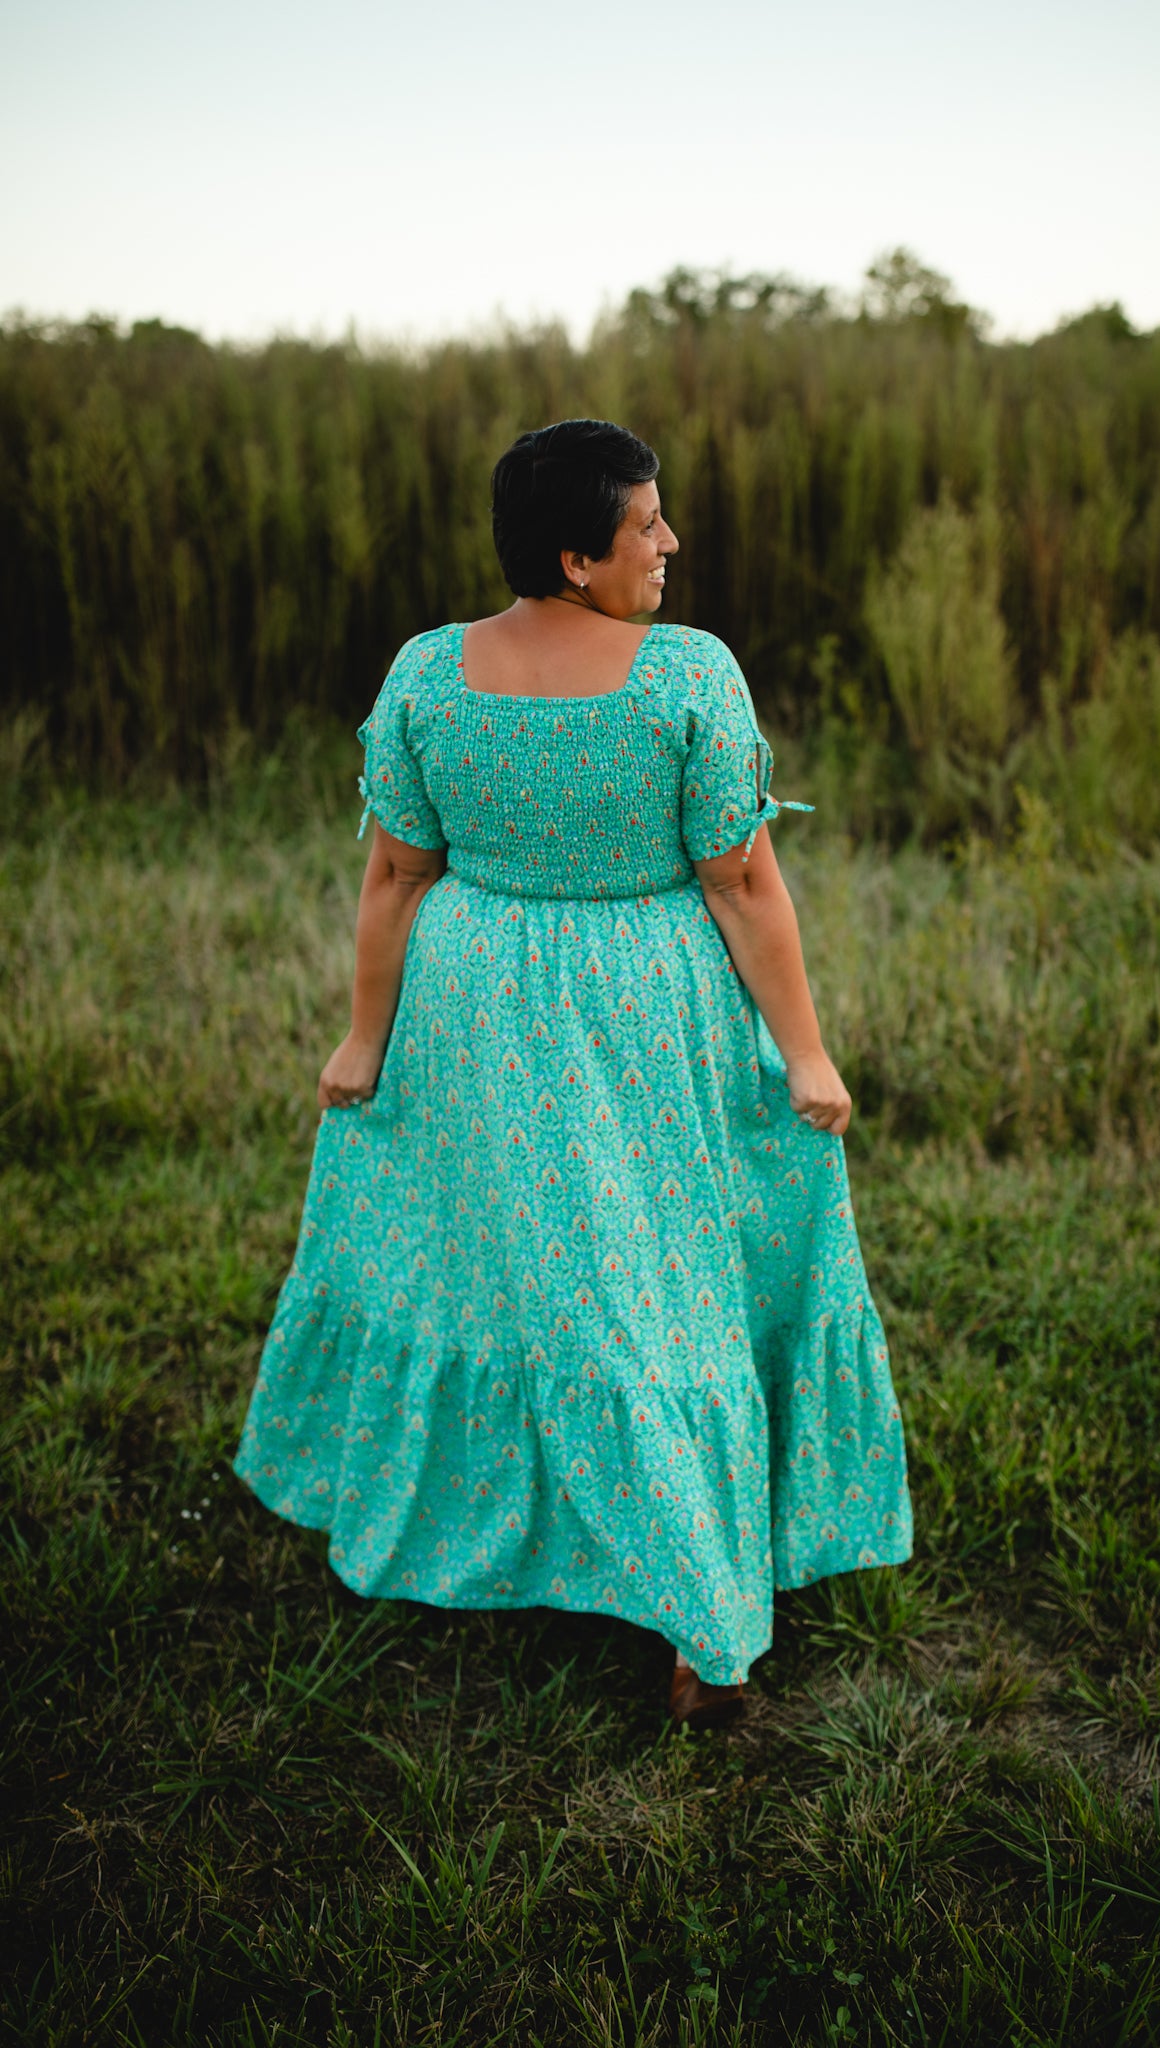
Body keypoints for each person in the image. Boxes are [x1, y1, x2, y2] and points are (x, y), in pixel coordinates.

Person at [233, 417, 913, 1730]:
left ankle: (520, 1538)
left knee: (505, 1270)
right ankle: (698, 1618)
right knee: (648, 1282)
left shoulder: (429, 674)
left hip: (470, 995)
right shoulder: (687, 678)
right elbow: (741, 878)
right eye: (643, 526)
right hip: (638, 1004)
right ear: (573, 556)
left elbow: (394, 875)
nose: (669, 542)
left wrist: (368, 1037)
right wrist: (806, 1049)